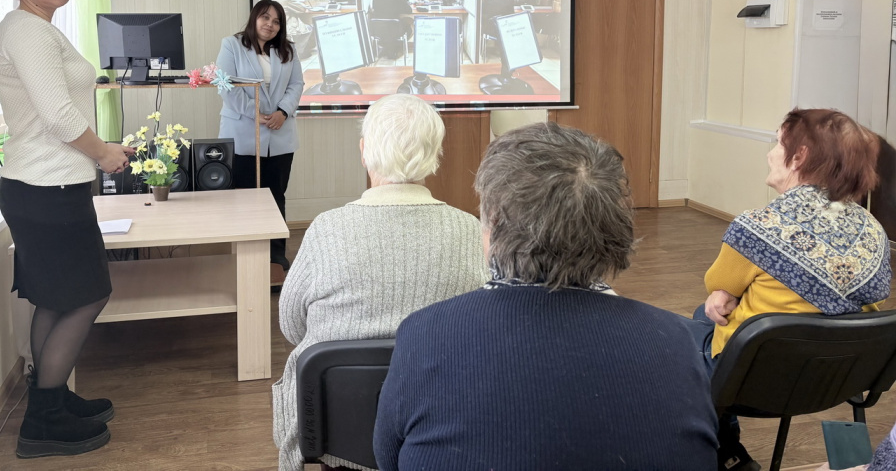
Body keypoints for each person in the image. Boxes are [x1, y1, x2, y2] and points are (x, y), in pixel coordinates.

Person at [373, 122, 719, 471]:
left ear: (494, 223)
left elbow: (388, 458)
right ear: (614, 226)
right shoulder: (676, 340)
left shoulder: (427, 333)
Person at [273, 94, 486, 471]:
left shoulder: (326, 229)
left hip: (338, 433)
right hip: (441, 432)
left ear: (363, 151)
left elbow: (292, 327)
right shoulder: (471, 231)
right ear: (435, 154)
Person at [0, 0, 133, 458]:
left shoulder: (38, 29)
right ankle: (43, 419)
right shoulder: (28, 31)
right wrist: (104, 154)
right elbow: (58, 115)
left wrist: (99, 151)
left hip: (45, 184)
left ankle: (49, 398)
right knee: (89, 294)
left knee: (56, 298)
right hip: (45, 187)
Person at [690, 108, 891, 470]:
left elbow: (718, 285)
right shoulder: (874, 233)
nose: (770, 154)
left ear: (799, 156)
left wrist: (724, 292)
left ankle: (727, 452)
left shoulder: (756, 228)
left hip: (753, 384)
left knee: (686, 336)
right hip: (838, 379)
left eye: (777, 144)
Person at [216, 0, 304, 277]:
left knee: (276, 195)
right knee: (244, 197)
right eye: (265, 18)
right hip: (242, 131)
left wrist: (283, 112)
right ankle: (245, 254)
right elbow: (224, 84)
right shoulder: (232, 45)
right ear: (254, 18)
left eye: (276, 21)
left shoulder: (288, 50)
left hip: (280, 132)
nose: (270, 25)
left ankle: (276, 254)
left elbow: (296, 84)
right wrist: (254, 113)